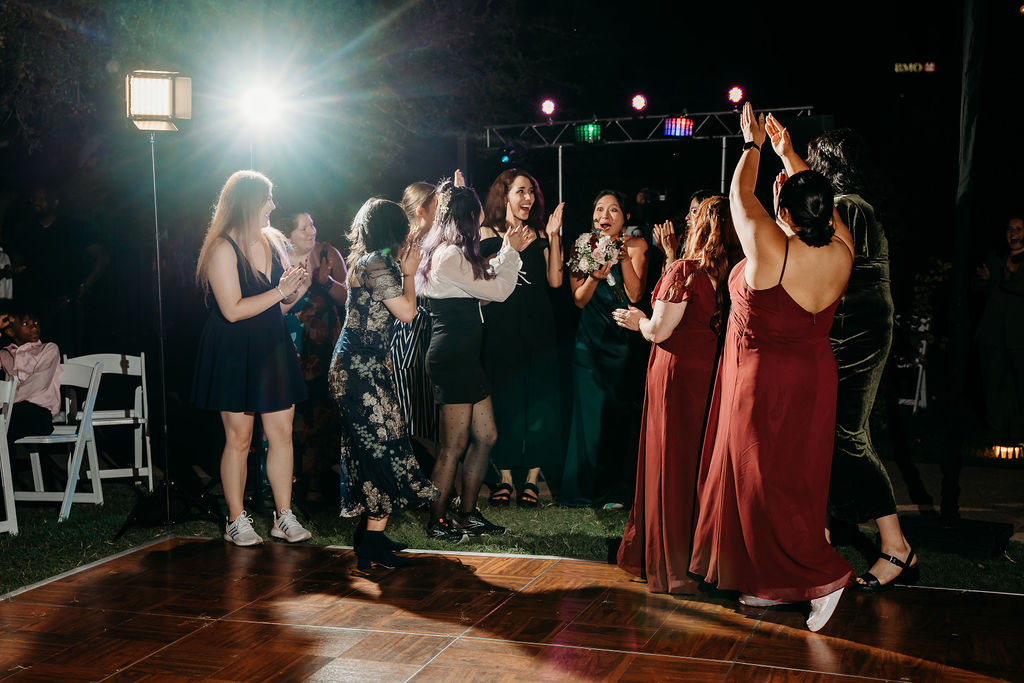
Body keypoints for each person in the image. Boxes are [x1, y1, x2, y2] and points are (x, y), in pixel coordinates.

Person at [689, 103, 855, 632]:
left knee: (765, 484)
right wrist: (788, 152)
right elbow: (819, 206)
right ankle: (770, 580)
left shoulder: (769, 247)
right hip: (814, 378)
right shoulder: (842, 248)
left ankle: (825, 577)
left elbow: (739, 193)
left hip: (764, 383)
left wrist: (754, 145)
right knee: (797, 482)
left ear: (783, 210)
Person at [787, 123, 918, 591]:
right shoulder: (850, 207)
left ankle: (896, 546)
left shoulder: (850, 209)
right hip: (842, 329)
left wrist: (786, 157)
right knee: (821, 432)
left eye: (815, 159)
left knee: (848, 434)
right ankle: (818, 536)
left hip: (858, 331)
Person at [613, 196, 737, 594]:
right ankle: (695, 558)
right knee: (693, 464)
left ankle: (670, 565)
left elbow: (659, 332)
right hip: (707, 376)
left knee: (669, 462)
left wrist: (638, 320)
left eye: (694, 216)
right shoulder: (732, 275)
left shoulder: (685, 271)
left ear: (701, 228)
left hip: (675, 375)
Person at [192, 170, 313, 547]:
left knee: (281, 433)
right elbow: (232, 310)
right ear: (248, 202)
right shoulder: (221, 248)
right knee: (240, 437)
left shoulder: (273, 240)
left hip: (271, 344)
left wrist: (295, 290)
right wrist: (280, 291)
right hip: (233, 347)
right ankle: (235, 519)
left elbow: (280, 304)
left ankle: (283, 516)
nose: (273, 206)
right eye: (268, 199)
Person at [417, 179, 536, 541]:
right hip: (453, 358)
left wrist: (504, 253)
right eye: (478, 216)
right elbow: (497, 291)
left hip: (464, 356)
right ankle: (437, 522)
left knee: (486, 435)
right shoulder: (449, 255)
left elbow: (481, 286)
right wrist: (510, 252)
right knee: (453, 446)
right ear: (468, 218)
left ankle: (467, 515)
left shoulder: (453, 253)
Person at [329, 198, 439, 569]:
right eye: (404, 225)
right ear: (393, 228)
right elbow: (406, 313)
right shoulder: (375, 263)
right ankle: (371, 542)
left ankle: (369, 535)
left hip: (366, 367)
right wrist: (410, 272)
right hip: (359, 370)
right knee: (382, 448)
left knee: (377, 445)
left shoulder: (375, 261)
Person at [479, 169, 564, 508]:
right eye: (521, 191)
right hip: (502, 327)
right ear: (505, 196)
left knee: (538, 402)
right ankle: (504, 477)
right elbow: (483, 279)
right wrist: (506, 246)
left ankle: (531, 479)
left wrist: (554, 236)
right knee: (505, 400)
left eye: (532, 191)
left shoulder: (540, 232)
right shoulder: (486, 232)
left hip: (539, 327)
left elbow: (556, 281)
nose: (528, 198)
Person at [560, 190, 648, 507]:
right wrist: (596, 276)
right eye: (600, 209)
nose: (605, 216)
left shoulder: (637, 246)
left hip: (621, 343)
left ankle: (616, 490)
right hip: (588, 343)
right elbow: (579, 299)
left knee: (615, 416)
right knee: (588, 417)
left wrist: (621, 259)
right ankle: (583, 490)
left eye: (613, 210)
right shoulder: (582, 246)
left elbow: (636, 295)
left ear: (624, 217)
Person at [280, 211, 347, 503]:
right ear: (289, 235)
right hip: (290, 345)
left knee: (323, 411)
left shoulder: (326, 253)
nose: (311, 231)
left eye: (312, 225)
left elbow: (349, 298)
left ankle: (318, 481)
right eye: (303, 228)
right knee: (292, 413)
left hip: (323, 348)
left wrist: (328, 280)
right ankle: (291, 482)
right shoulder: (278, 256)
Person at [391, 182, 440, 456]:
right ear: (421, 211)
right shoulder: (402, 244)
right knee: (412, 412)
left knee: (428, 413)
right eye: (438, 207)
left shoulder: (434, 240)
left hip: (429, 328)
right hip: (410, 331)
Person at [975, 216, 1024, 445]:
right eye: (1009, 229)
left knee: (1018, 387)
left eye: (1019, 229)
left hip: (1019, 336)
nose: (1013, 233)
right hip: (992, 334)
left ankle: (1018, 434)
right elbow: (980, 291)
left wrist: (1010, 275)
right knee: (992, 385)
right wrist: (984, 280)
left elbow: (1016, 288)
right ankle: (995, 432)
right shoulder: (996, 259)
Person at [0, 305, 61, 446]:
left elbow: (38, 383)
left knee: (4, 427)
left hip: (40, 413)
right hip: (12, 411)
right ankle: (8, 468)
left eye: (36, 322)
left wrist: (5, 402)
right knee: (3, 430)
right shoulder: (5, 354)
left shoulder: (49, 348)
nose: (34, 326)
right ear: (10, 331)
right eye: (26, 323)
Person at [652, 189, 721, 273]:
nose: (687, 217)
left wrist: (670, 253)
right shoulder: (693, 249)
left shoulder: (714, 253)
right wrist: (666, 253)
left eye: (694, 211)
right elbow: (665, 281)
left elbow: (672, 284)